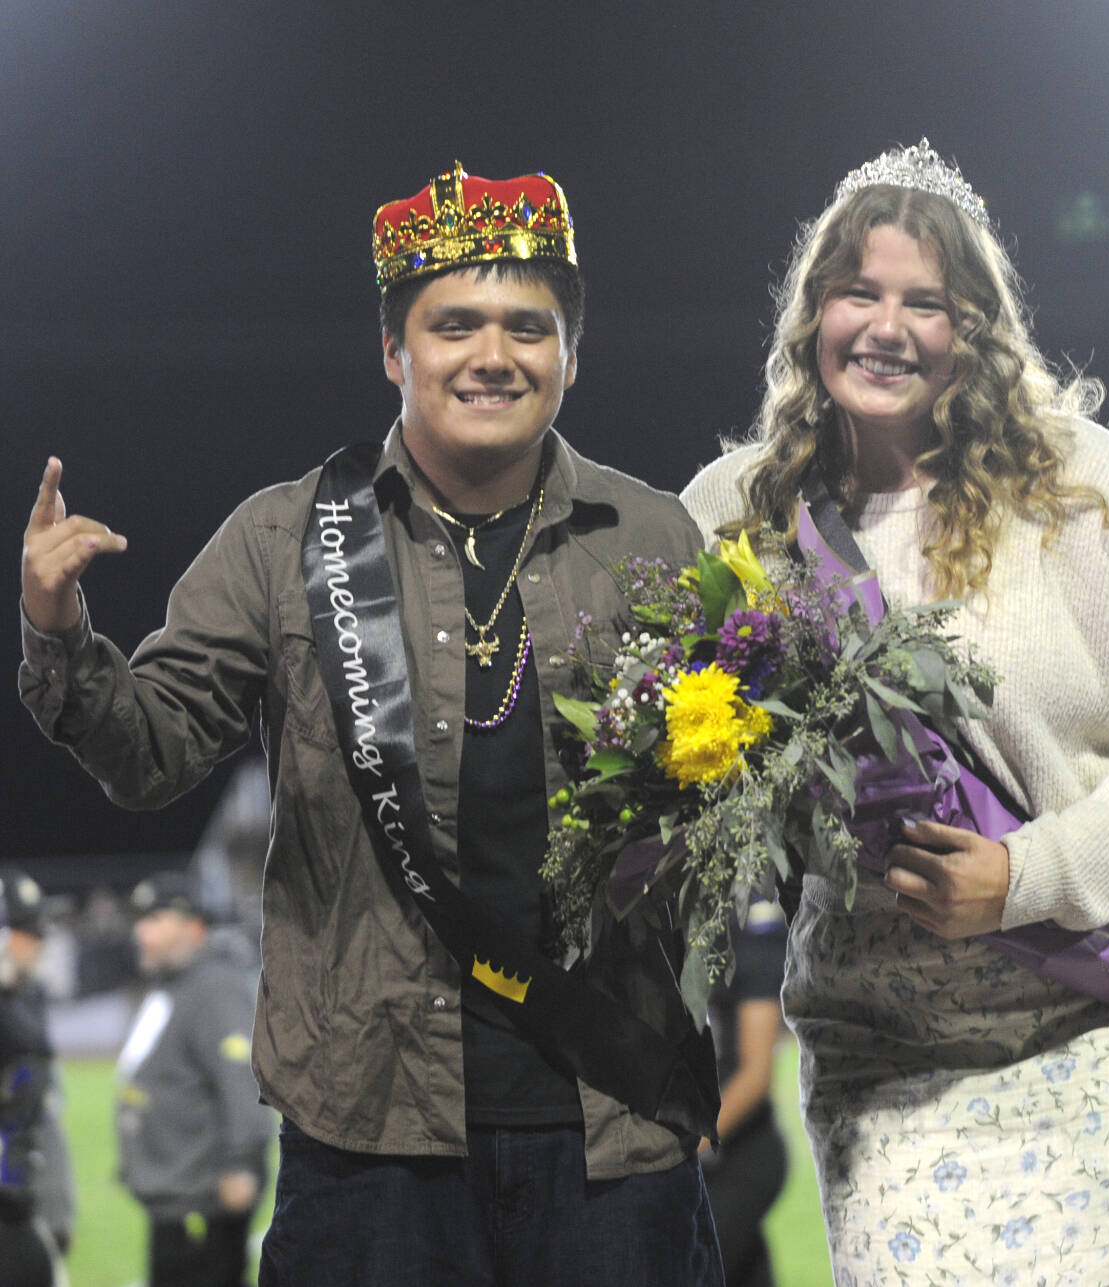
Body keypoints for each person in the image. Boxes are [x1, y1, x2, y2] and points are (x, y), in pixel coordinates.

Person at [20, 162, 723, 1286]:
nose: (491, 354)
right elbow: (148, 756)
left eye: (526, 328)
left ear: (571, 358)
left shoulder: (653, 536)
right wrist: (58, 628)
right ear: (394, 353)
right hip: (368, 1135)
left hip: (613, 1124)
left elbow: (726, 809)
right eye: (453, 325)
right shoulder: (280, 537)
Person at [680, 138, 1109, 1282]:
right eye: (858, 292)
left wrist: (1023, 878)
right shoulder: (736, 514)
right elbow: (658, 720)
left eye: (925, 301)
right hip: (892, 1055)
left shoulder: (1079, 486)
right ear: (813, 314)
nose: (885, 326)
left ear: (973, 332)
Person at [116, 871, 273, 1287]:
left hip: (204, 1200)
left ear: (193, 926)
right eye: (140, 920)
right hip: (179, 1195)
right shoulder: (175, 983)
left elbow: (242, 1081)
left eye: (154, 919)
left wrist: (241, 1162)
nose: (140, 932)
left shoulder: (213, 987)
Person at [700, 899, 788, 1287]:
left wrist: (690, 1142)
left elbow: (755, 1074)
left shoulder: (750, 923)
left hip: (742, 1148)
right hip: (714, 1154)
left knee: (693, 1263)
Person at [0, 869, 72, 1287]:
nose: (40, 940)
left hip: (23, 1196)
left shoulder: (25, 996)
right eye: (28, 930)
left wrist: (58, 1207)